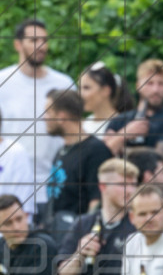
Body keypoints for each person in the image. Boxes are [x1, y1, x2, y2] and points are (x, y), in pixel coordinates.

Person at [0, 18, 76, 213]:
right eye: (33, 40)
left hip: (53, 184)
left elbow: (74, 133)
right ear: (17, 44)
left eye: (44, 40)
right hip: (8, 184)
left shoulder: (64, 84)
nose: (41, 46)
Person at [43, 89, 112, 233]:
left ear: (61, 117)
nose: (44, 118)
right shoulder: (62, 151)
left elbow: (97, 200)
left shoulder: (96, 151)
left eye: (48, 113)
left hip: (78, 236)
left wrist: (87, 235)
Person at [104, 59, 163, 163]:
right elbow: (103, 154)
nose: (155, 90)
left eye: (161, 84)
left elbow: (157, 159)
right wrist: (126, 133)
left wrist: (121, 148)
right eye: (149, 83)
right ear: (138, 85)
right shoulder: (119, 120)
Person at [78, 62, 133, 139]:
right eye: (79, 88)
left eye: (86, 88)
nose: (80, 94)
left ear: (105, 90)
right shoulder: (83, 125)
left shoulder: (124, 125)